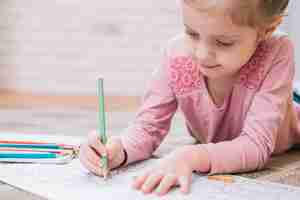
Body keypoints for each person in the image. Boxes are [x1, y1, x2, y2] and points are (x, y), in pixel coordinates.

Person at [79, 0, 298, 196]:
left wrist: (190, 156)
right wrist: (120, 150)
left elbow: (256, 147)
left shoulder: (277, 50)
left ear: (266, 30)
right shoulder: (176, 54)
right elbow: (147, 128)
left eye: (223, 42)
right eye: (191, 33)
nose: (202, 54)